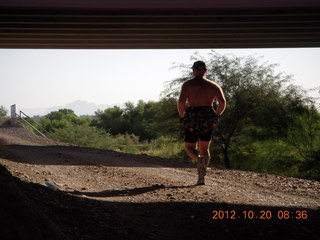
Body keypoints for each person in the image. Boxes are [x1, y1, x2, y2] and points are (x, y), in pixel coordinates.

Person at [177, 60, 226, 185]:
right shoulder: (213, 86)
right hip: (207, 116)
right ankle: (202, 176)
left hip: (192, 116)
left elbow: (181, 102)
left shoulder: (187, 85)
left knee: (189, 147)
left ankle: (198, 159)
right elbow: (222, 102)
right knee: (205, 148)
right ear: (205, 71)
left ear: (193, 71)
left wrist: (182, 116)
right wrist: (216, 116)